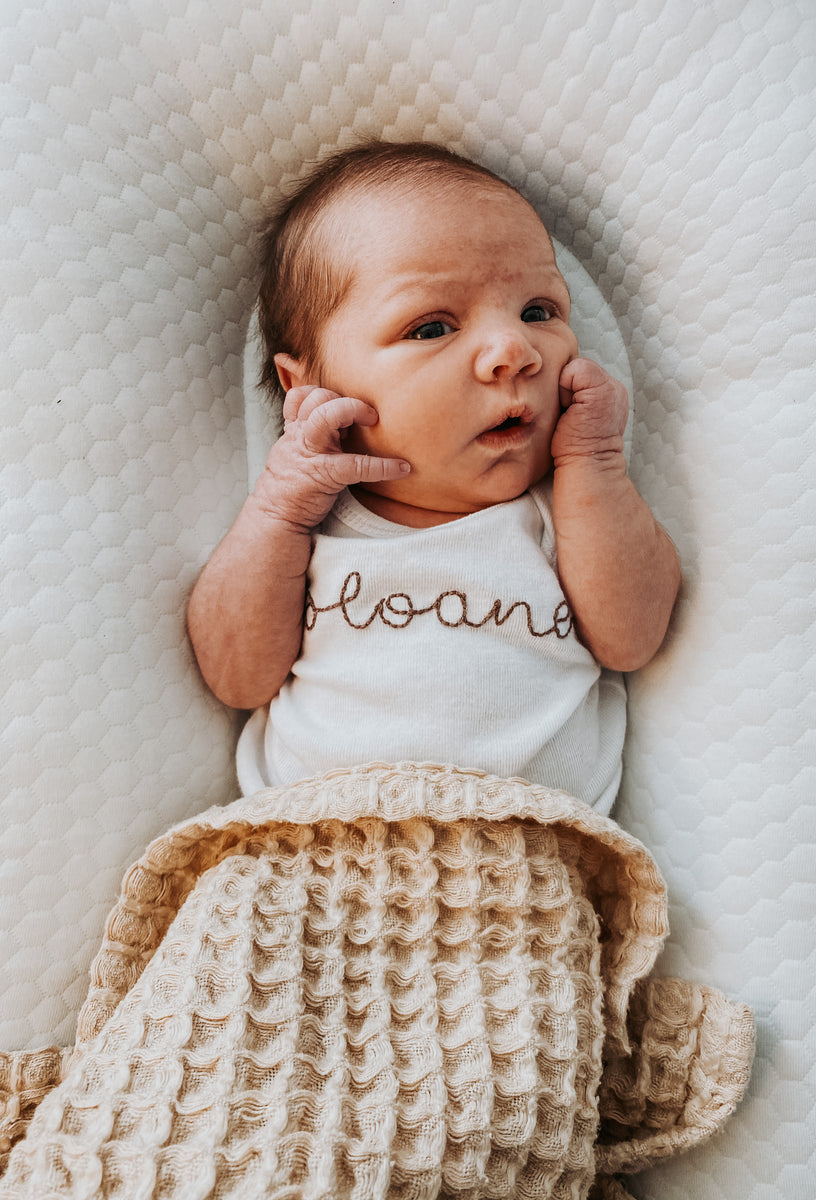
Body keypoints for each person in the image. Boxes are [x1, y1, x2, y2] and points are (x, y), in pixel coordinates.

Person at [187, 141, 681, 811]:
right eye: (432, 326)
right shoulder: (309, 524)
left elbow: (634, 638)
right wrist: (277, 511)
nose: (515, 350)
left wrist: (594, 466)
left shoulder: (567, 510)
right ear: (309, 388)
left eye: (539, 310)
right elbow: (236, 677)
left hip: (523, 865)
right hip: (311, 854)